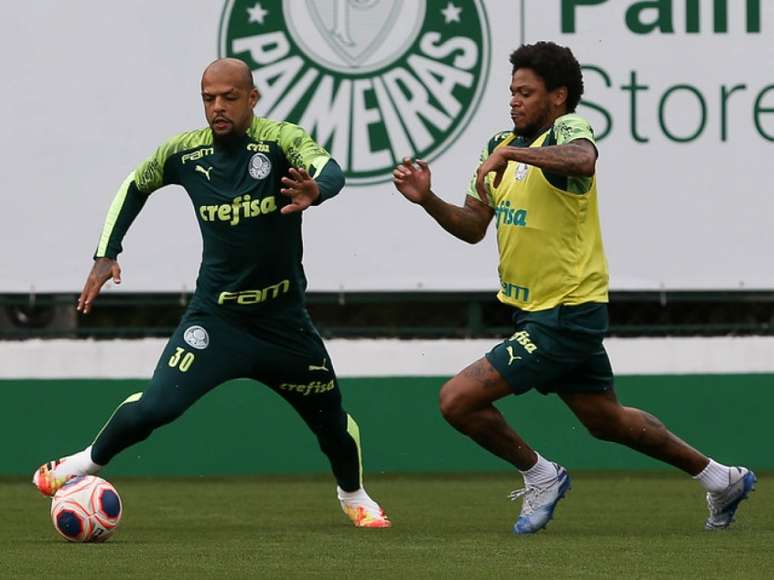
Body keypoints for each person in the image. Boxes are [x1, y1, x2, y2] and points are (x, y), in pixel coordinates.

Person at [392, 41, 754, 534]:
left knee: (457, 399)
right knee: (607, 420)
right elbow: (475, 225)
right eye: (512, 91)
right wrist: (426, 199)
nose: (514, 101)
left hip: (565, 312)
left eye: (526, 92)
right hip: (535, 312)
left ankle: (541, 475)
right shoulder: (499, 143)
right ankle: (720, 478)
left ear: (557, 96)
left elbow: (583, 160)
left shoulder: (567, 130)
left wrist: (511, 151)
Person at [33, 58, 390, 529]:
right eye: (209, 98)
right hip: (216, 321)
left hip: (283, 324)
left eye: (229, 97)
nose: (217, 107)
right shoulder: (186, 153)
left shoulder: (282, 141)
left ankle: (354, 495)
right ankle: (85, 462)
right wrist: (106, 252)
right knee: (157, 407)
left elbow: (331, 169)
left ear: (252, 98)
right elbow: (133, 186)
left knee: (332, 425)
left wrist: (315, 191)